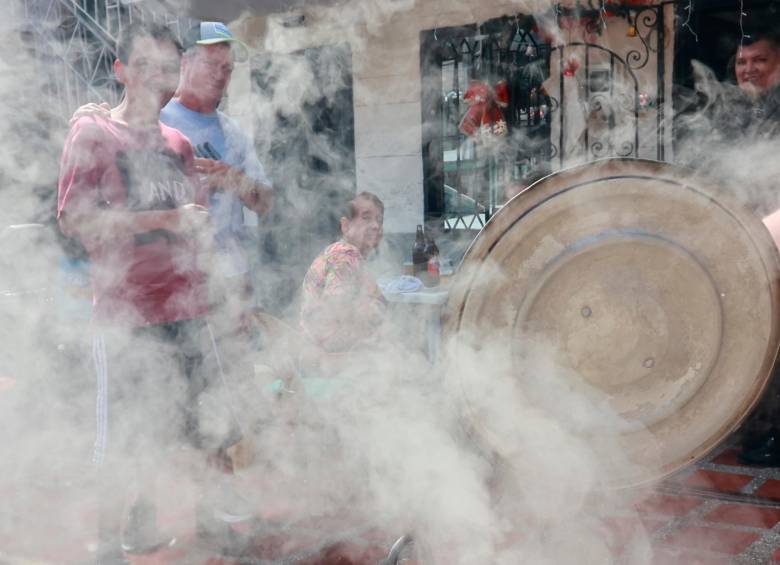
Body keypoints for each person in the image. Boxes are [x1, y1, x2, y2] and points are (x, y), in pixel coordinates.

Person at [58, 22, 243, 564]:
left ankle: (211, 525)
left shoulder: (178, 143)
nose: (157, 76)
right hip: (126, 315)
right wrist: (166, 216)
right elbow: (73, 221)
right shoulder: (94, 134)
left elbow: (196, 226)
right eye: (145, 64)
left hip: (188, 308)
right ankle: (107, 549)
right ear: (120, 71)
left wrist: (220, 298)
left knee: (207, 429)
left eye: (167, 66)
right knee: (125, 438)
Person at [300, 192, 387, 354]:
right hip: (328, 358)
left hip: (324, 352)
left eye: (379, 220)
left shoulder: (348, 254)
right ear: (346, 226)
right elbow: (336, 310)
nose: (376, 225)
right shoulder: (345, 254)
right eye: (366, 218)